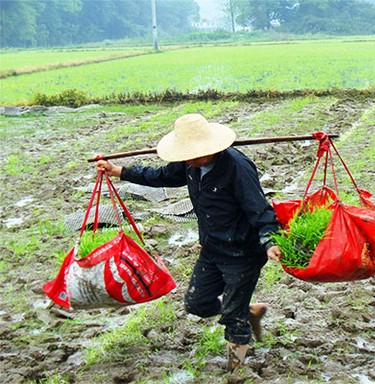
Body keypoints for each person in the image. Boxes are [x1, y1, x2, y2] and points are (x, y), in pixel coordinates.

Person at [95, 113, 282, 371]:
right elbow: (161, 176)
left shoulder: (237, 168)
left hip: (242, 252)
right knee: (197, 304)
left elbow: (259, 209)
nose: (190, 159)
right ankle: (249, 310)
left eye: (195, 153)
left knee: (232, 317)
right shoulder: (190, 164)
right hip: (212, 248)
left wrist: (269, 240)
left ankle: (236, 371)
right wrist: (121, 172)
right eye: (186, 154)